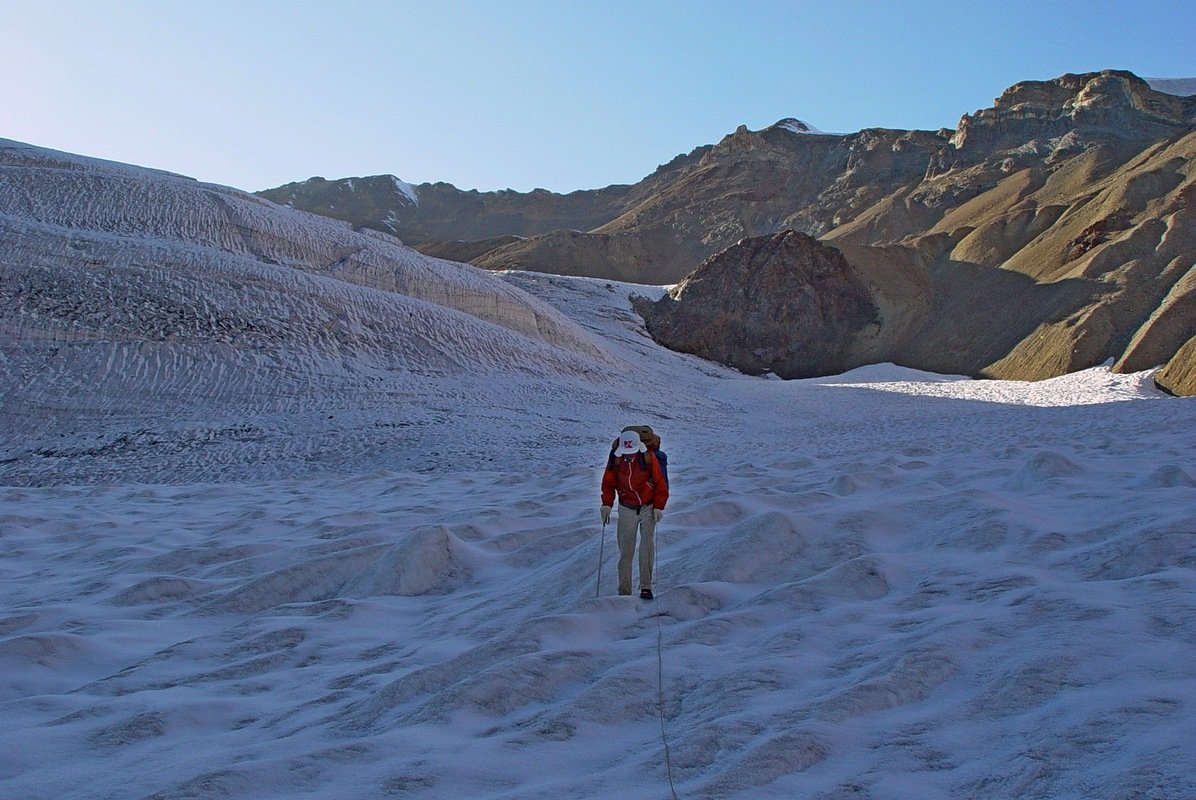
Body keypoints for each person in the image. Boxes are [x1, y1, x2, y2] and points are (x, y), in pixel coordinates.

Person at [600, 427, 668, 599]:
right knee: (626, 551)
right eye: (626, 453)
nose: (629, 456)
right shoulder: (616, 459)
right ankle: (624, 592)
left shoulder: (649, 457)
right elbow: (608, 483)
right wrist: (606, 504)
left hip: (648, 507)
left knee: (646, 547)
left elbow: (660, 483)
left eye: (632, 453)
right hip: (626, 507)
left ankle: (646, 587)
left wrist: (659, 506)